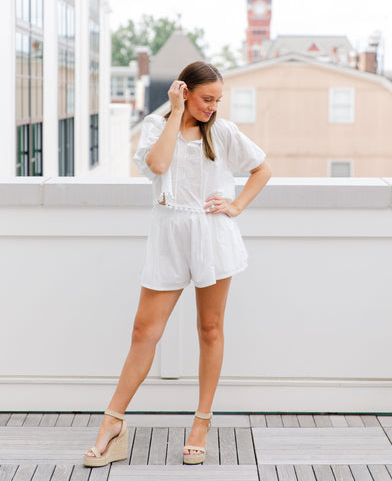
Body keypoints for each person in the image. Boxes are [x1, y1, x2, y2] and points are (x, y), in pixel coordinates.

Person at [83, 61, 271, 467]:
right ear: (185, 92)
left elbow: (262, 168)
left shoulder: (222, 131)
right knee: (144, 330)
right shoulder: (156, 125)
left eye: (218, 100)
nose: (213, 107)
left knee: (210, 329)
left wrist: (235, 205)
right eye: (206, 99)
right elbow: (158, 165)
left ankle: (201, 422)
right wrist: (173, 112)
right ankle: (112, 423)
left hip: (211, 234)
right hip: (169, 232)